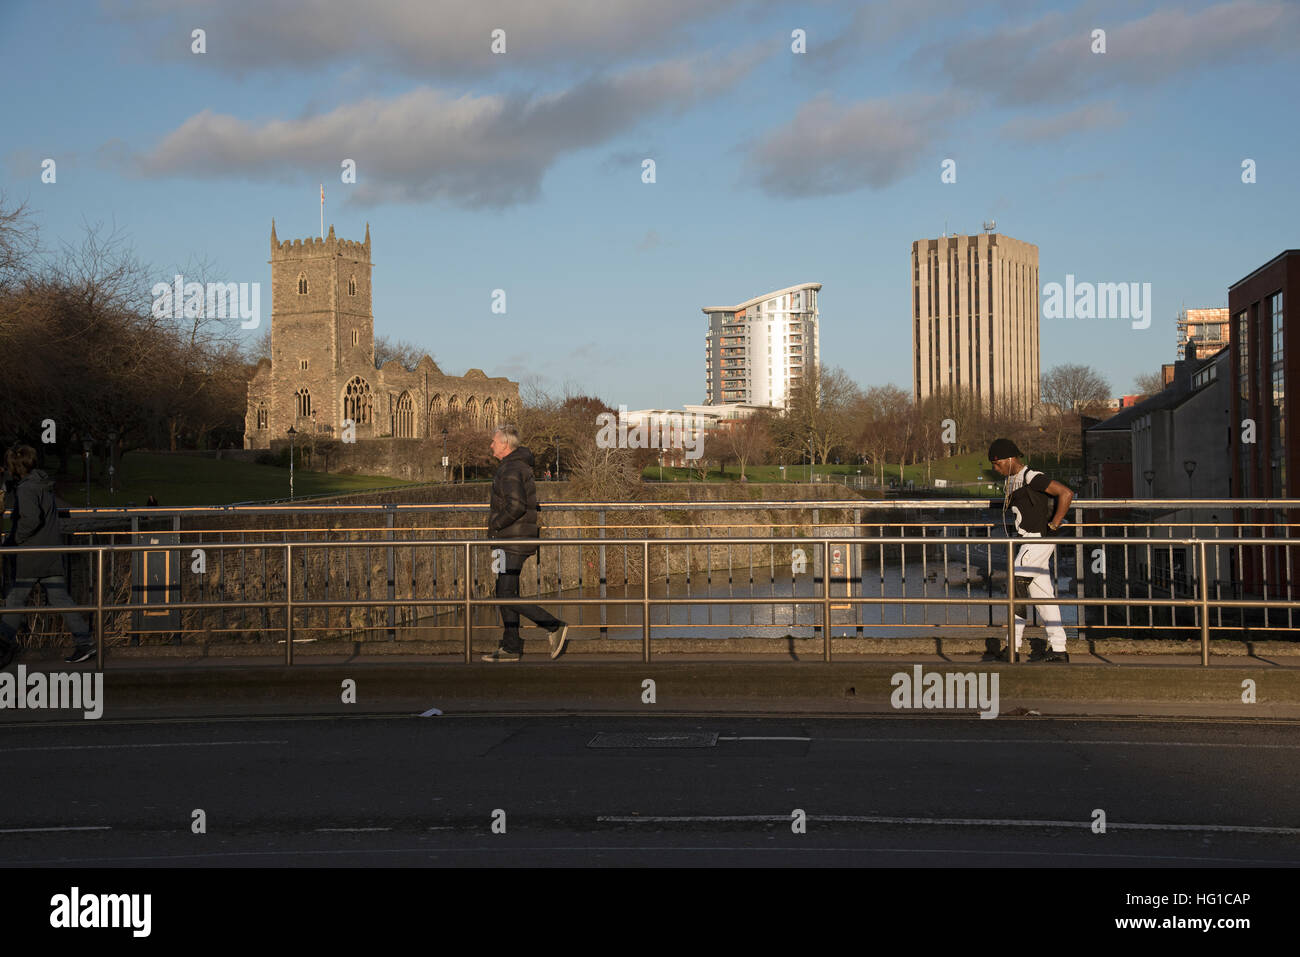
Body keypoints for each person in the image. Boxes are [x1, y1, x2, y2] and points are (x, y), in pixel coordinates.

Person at [0, 445, 95, 665]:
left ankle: (3, 642)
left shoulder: (26, 489)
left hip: (33, 554)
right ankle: (84, 641)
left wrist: (14, 540)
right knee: (59, 597)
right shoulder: (41, 483)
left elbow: (31, 520)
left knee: (16, 598)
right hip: (50, 551)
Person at [482, 426, 568, 662]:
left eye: (493, 442)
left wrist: (495, 525)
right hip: (508, 540)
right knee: (504, 591)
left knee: (505, 592)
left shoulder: (510, 468)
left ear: (505, 445)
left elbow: (516, 505)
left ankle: (553, 625)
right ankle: (510, 647)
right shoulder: (514, 466)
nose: (491, 445)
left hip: (512, 540)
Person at [985, 438, 1074, 663]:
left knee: (1016, 590)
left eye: (997, 464)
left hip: (1036, 541)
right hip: (1030, 542)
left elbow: (1066, 493)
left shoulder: (1031, 476)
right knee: (1044, 598)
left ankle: (1012, 647)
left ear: (1009, 459)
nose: (995, 469)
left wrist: (1054, 524)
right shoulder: (1013, 480)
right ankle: (1059, 649)